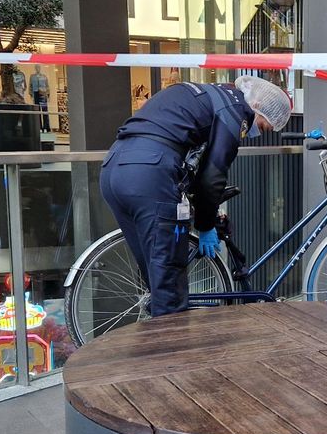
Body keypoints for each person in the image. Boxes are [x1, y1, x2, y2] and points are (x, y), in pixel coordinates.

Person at [100, 75, 291, 318]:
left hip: (114, 168)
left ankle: (154, 345)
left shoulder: (207, 96)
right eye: (264, 126)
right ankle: (173, 353)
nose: (259, 133)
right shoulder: (234, 112)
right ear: (256, 106)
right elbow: (212, 176)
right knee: (169, 281)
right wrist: (205, 225)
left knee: (155, 274)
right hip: (150, 173)